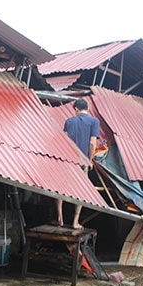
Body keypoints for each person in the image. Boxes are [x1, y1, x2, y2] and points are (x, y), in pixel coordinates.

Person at [55, 98, 100, 229]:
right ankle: (75, 222)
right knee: (81, 189)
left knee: (60, 188)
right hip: (82, 161)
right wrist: (89, 160)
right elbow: (92, 143)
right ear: (87, 109)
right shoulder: (94, 121)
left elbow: (64, 140)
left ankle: (60, 219)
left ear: (76, 109)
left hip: (68, 160)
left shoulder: (69, 121)